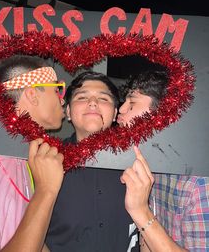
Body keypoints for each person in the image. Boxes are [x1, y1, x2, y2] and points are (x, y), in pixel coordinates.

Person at [0, 54, 65, 251]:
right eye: (57, 89)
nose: (62, 99)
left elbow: (32, 238)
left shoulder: (24, 157)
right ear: (32, 95)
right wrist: (46, 191)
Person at [46, 71, 139, 252]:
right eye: (82, 97)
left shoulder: (136, 162)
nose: (93, 102)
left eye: (103, 99)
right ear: (68, 112)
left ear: (114, 114)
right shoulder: (48, 159)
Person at [118, 70, 209, 251]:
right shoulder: (150, 166)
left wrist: (140, 211)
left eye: (132, 103)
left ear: (161, 115)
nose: (120, 109)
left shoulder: (198, 183)